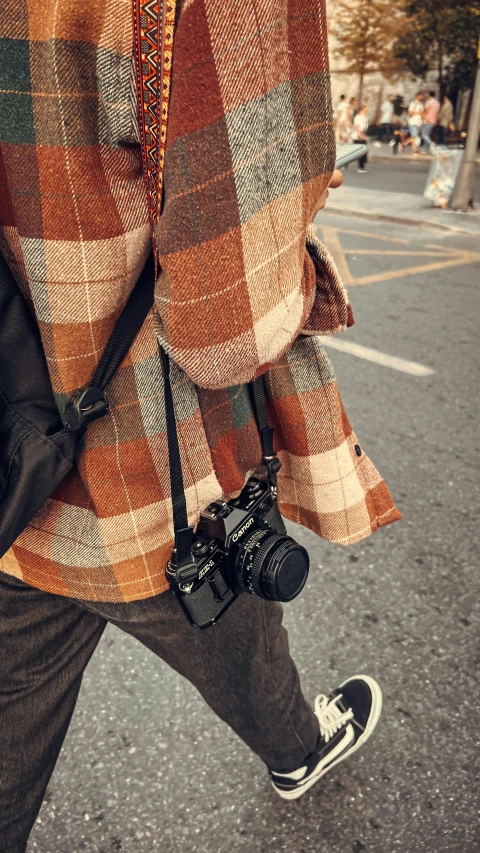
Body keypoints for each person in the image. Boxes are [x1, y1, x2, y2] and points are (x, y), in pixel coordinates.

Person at [0, 1, 400, 849]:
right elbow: (227, 329)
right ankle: (300, 747)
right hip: (143, 474)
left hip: (10, 483)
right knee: (237, 632)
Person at [353, 104, 370, 172]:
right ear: (361, 110)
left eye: (366, 110)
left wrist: (364, 136)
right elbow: (357, 127)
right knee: (361, 152)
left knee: (362, 152)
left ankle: (361, 166)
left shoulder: (365, 117)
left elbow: (364, 128)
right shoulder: (358, 117)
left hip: (362, 136)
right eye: (365, 110)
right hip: (358, 137)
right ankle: (360, 167)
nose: (366, 111)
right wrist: (361, 136)